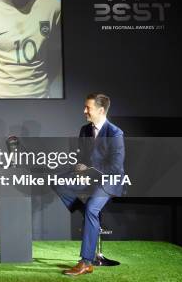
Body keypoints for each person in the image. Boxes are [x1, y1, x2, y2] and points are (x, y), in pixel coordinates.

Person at [54, 93, 125, 276]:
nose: (84, 110)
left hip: (110, 180)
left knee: (92, 209)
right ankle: (88, 217)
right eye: (85, 107)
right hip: (89, 178)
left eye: (88, 108)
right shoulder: (84, 130)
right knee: (58, 181)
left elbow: (115, 166)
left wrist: (89, 169)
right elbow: (81, 158)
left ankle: (86, 262)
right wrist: (79, 167)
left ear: (101, 110)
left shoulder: (115, 133)